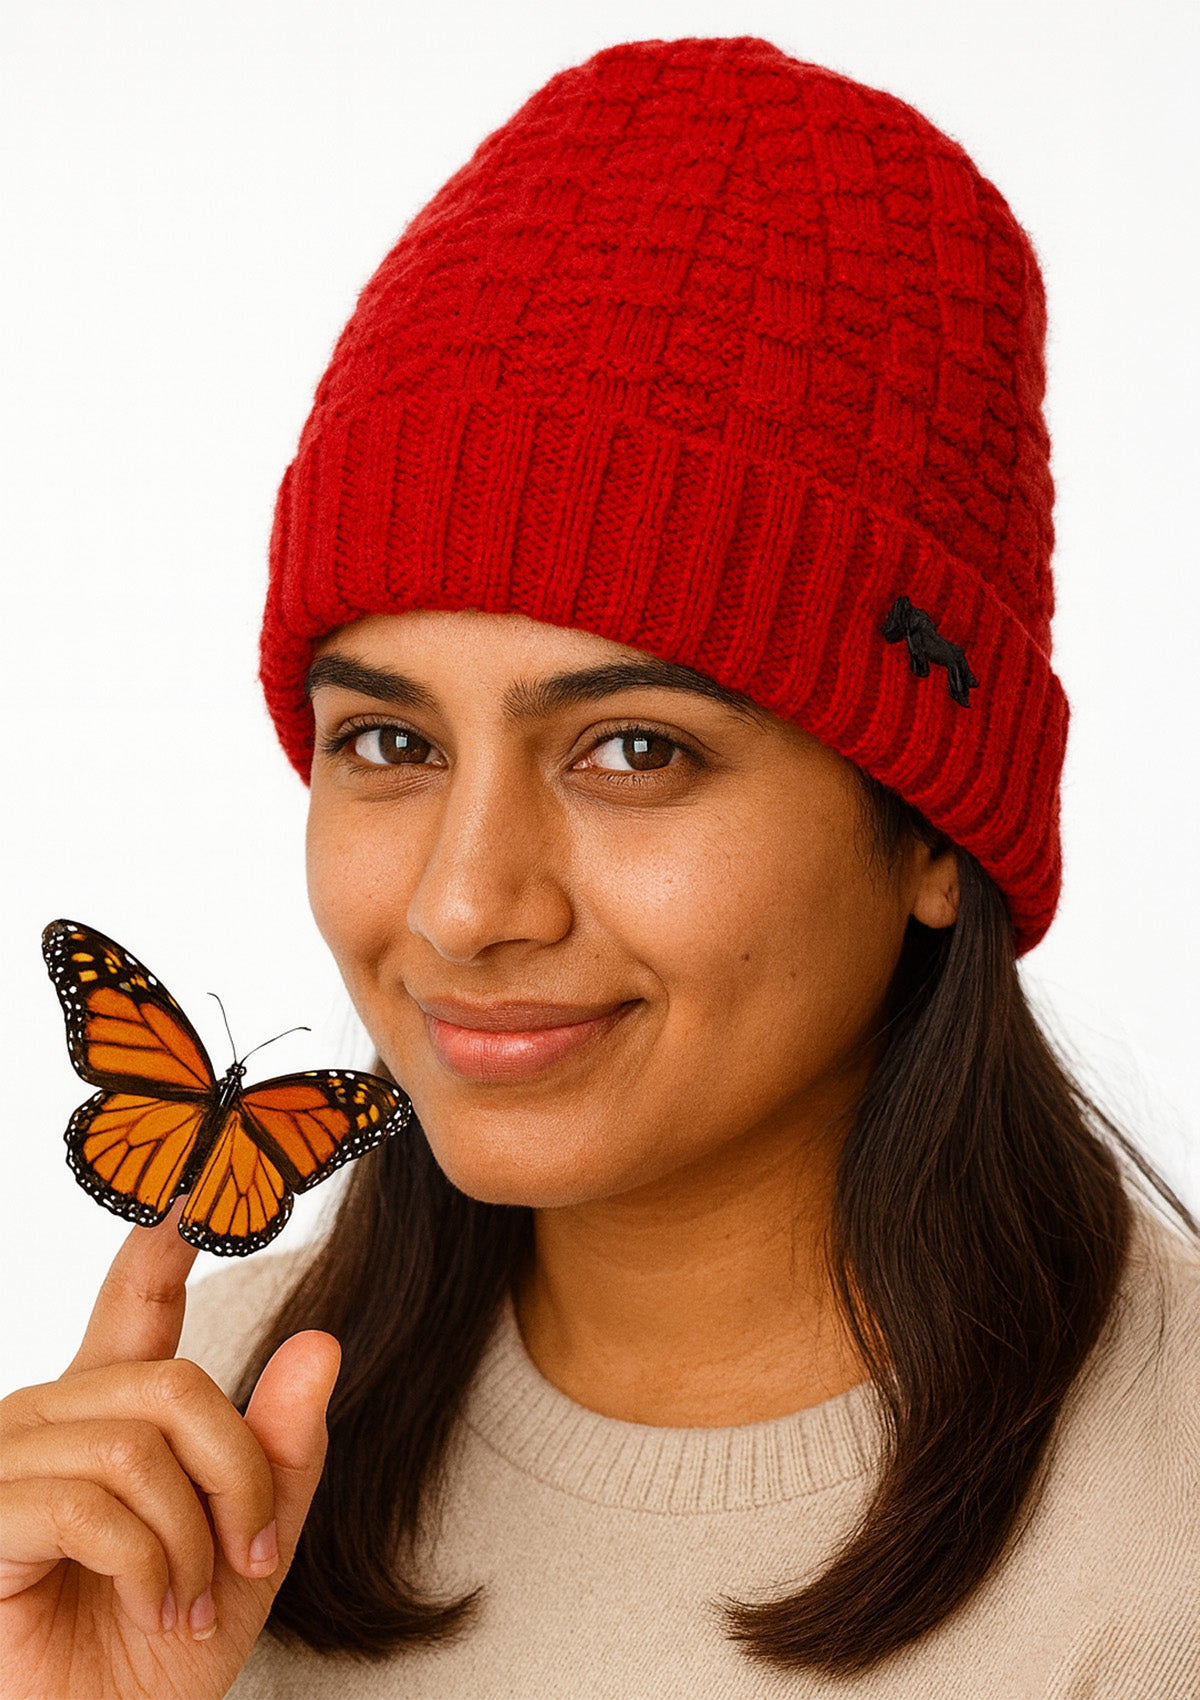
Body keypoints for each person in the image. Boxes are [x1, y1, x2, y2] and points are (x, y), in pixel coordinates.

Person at [2, 34, 1197, 1700]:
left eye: (635, 750)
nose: (466, 905)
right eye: (390, 745)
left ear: (933, 823)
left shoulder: (1172, 1525)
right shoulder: (182, 1453)